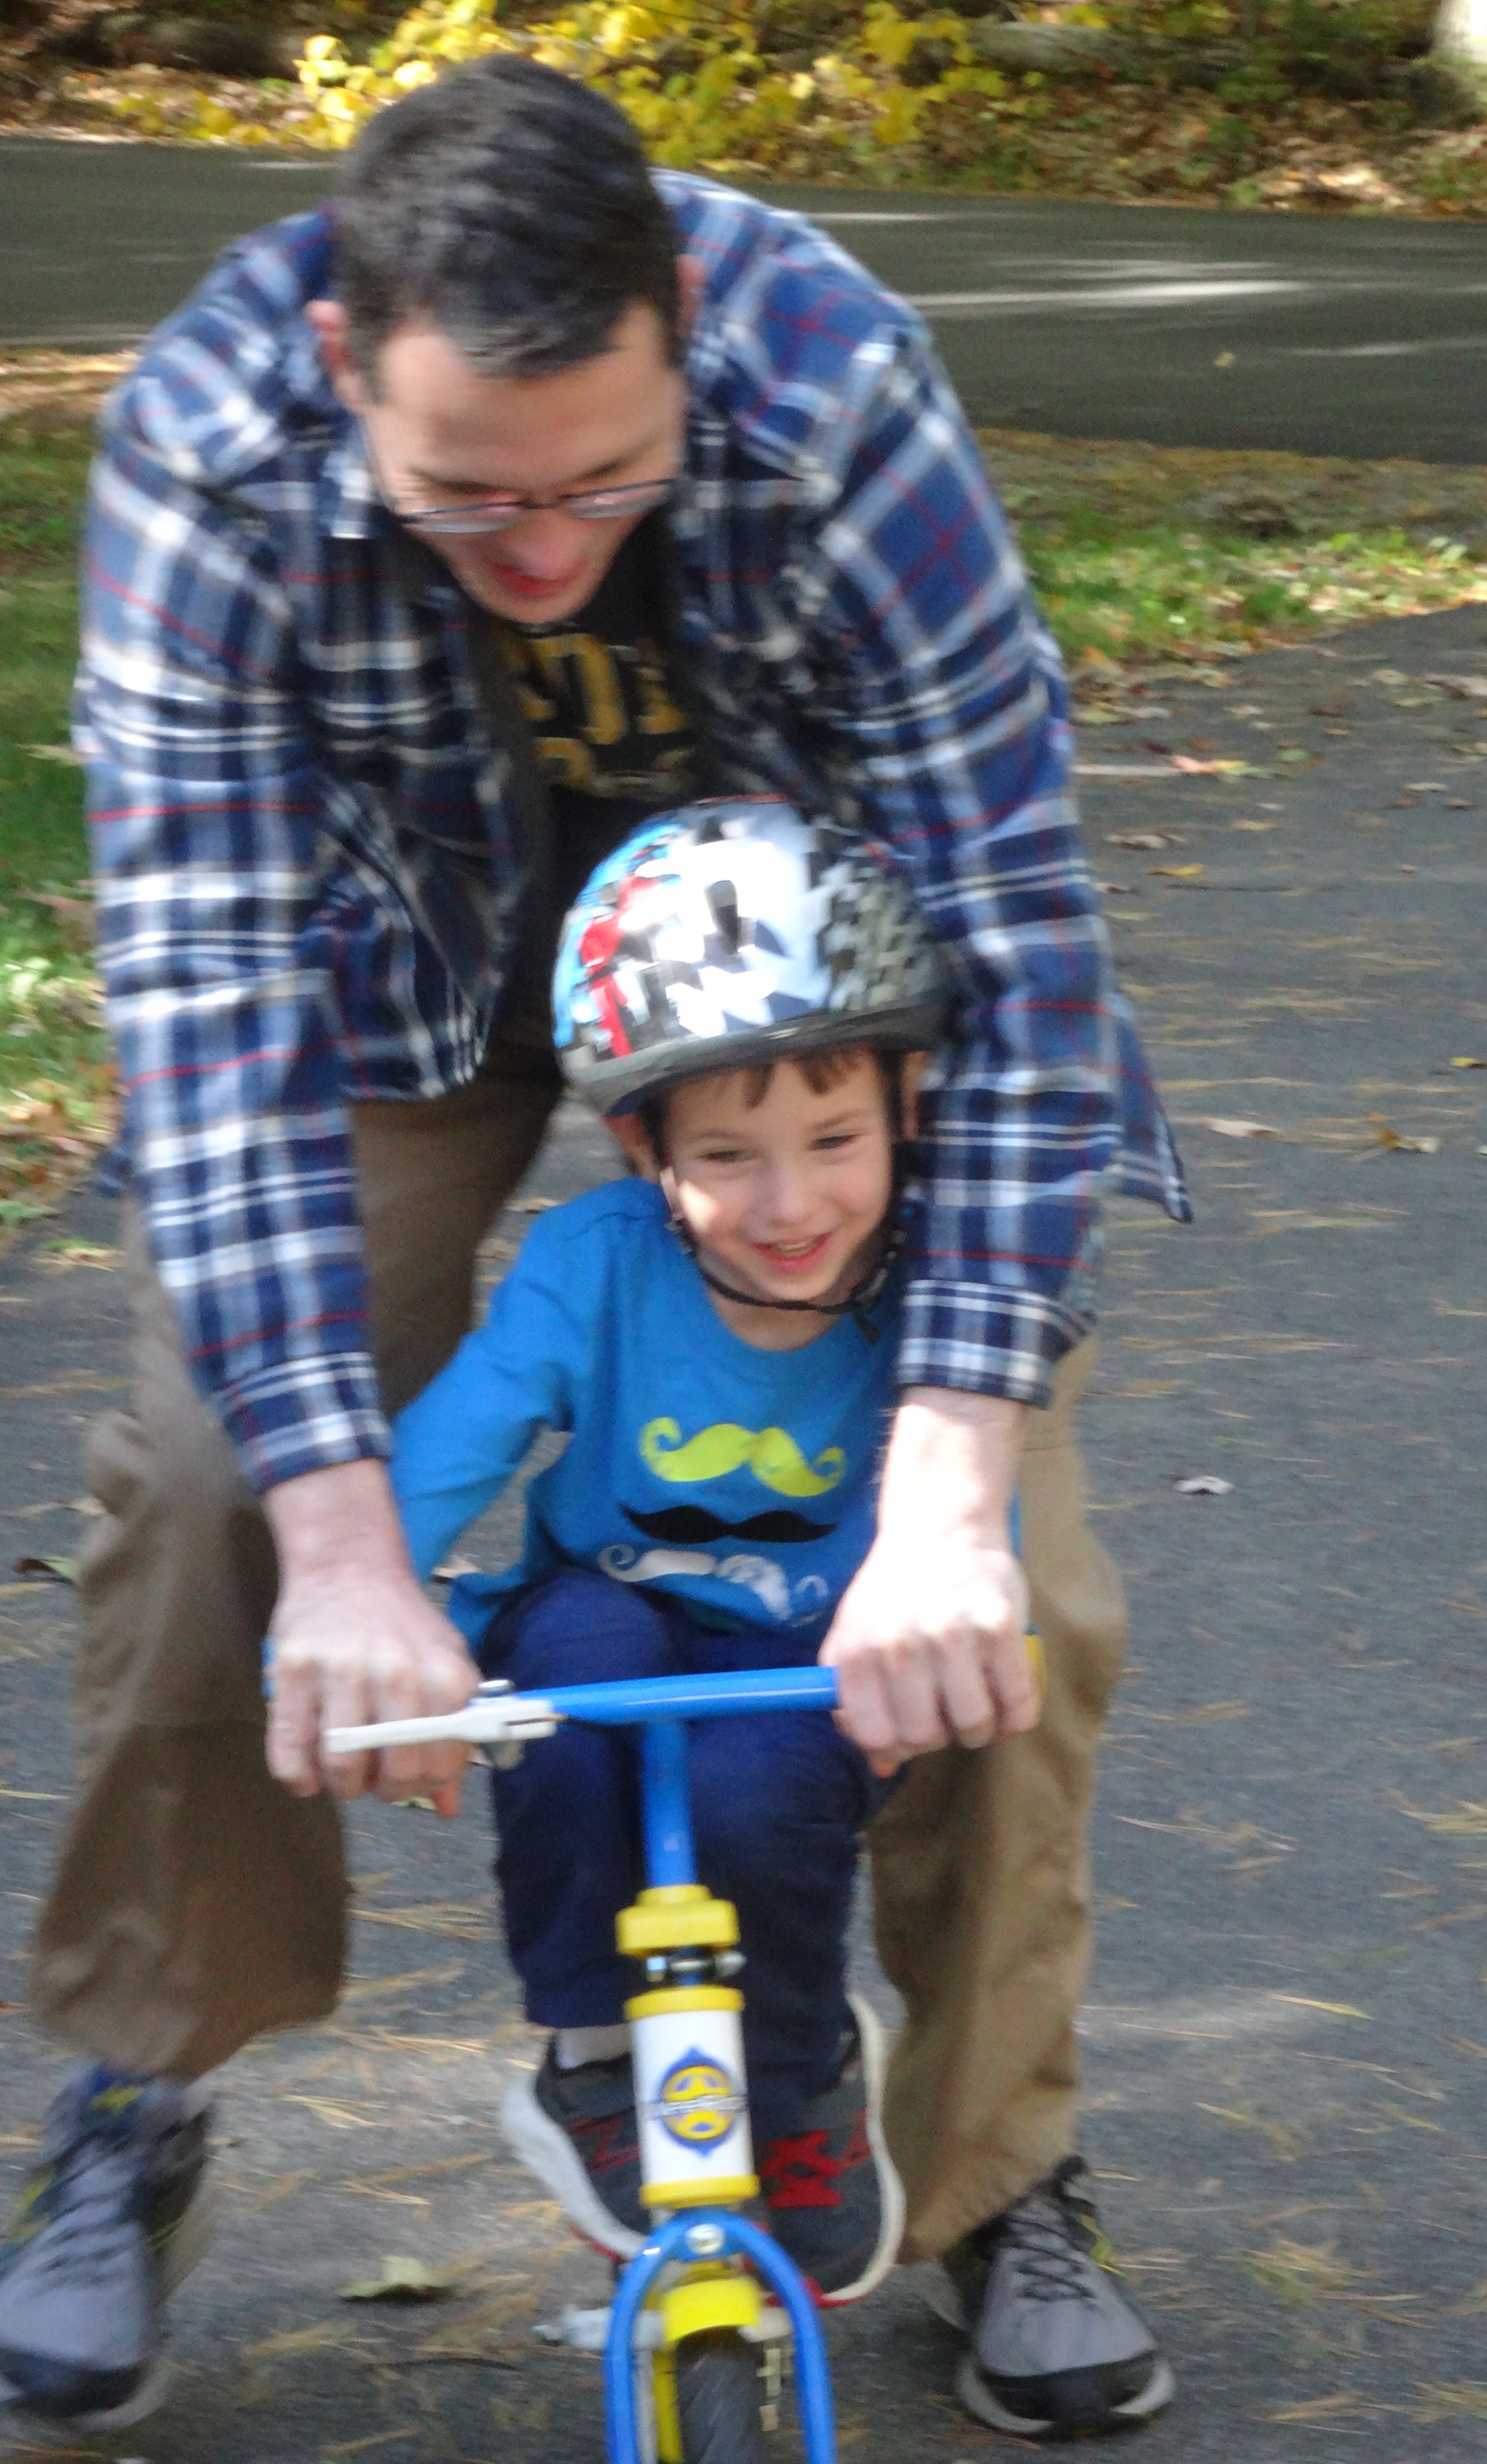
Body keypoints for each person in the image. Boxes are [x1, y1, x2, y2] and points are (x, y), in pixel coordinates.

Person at [0, 55, 1188, 2443]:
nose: (541, 550)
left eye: (605, 481)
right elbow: (207, 1002)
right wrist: (347, 1549)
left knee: (1002, 1586)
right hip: (397, 973)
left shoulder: (835, 395)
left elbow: (1018, 947)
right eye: (467, 496)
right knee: (216, 1488)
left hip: (806, 1006)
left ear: (682, 330)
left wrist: (939, 1492)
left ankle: (993, 2168)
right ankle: (145, 2089)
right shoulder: (209, 446)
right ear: (344, 368)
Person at [392, 802, 945, 2309]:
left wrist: (964, 1616)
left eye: (836, 1140)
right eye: (725, 1154)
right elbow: (457, 1445)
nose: (791, 1204)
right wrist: (363, 1617)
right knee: (569, 1705)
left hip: (810, 1644)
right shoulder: (595, 1262)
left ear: (906, 1104)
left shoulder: (932, 1280)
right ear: (643, 1147)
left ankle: (799, 2076)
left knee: (761, 1792)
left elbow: (969, 1489)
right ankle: (591, 2054)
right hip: (609, 1608)